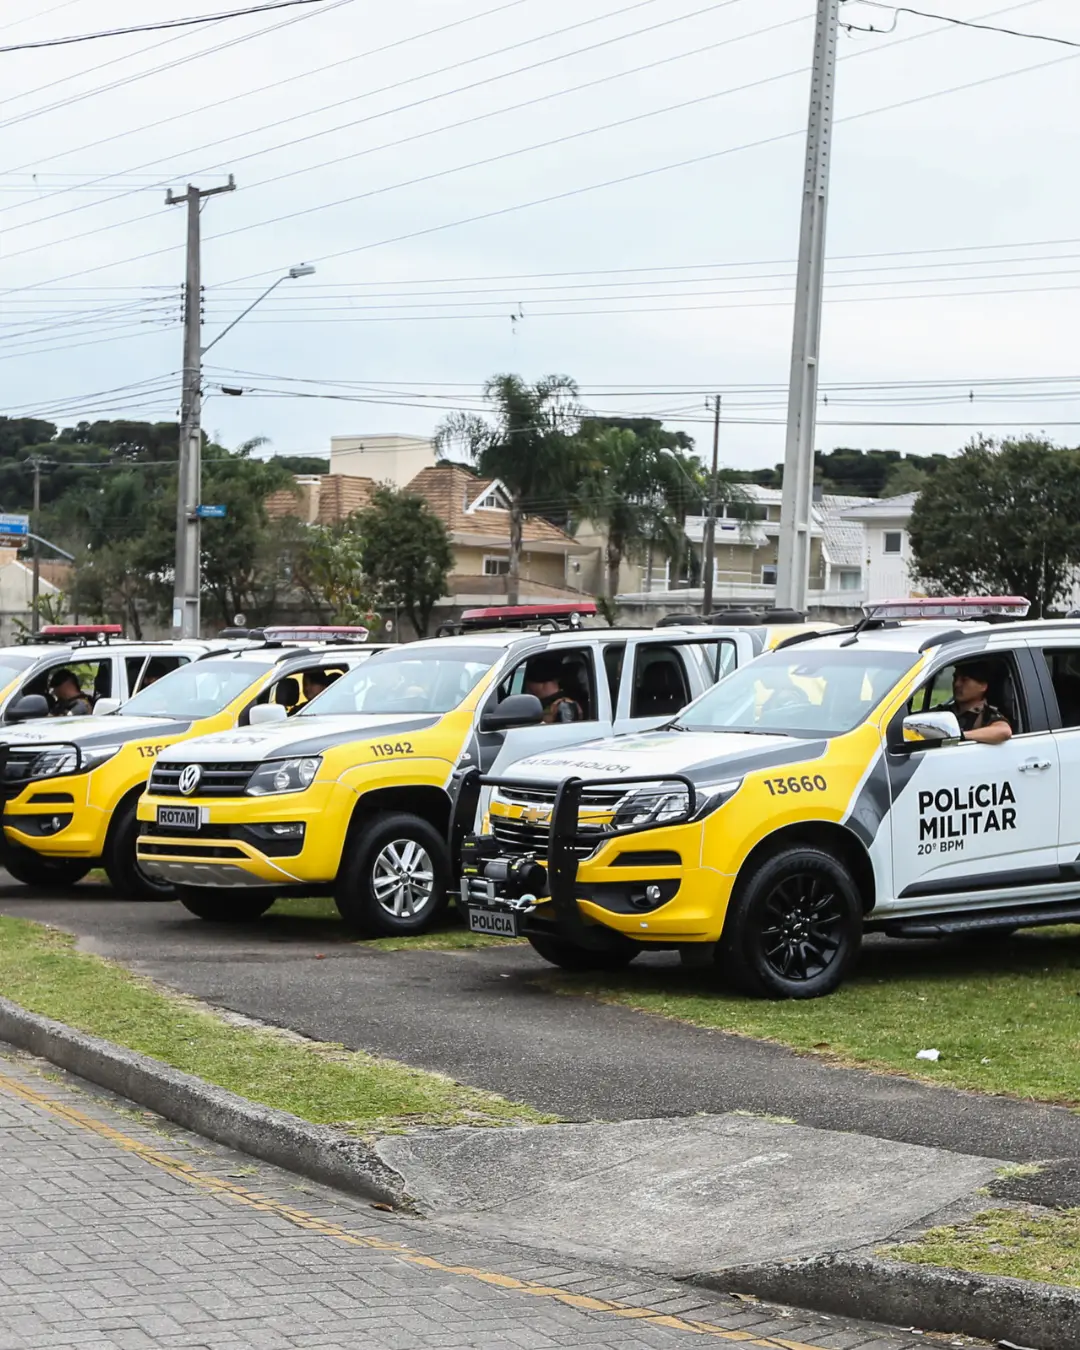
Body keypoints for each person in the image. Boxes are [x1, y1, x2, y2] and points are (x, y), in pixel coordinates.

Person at [938, 660, 1013, 744]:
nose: (957, 684)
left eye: (964, 680)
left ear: (983, 686)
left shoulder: (987, 714)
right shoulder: (943, 712)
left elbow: (1004, 731)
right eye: (955, 678)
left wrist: (961, 736)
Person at [524, 654, 583, 724]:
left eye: (531, 683)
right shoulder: (548, 705)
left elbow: (566, 733)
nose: (528, 688)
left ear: (542, 685)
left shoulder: (564, 706)